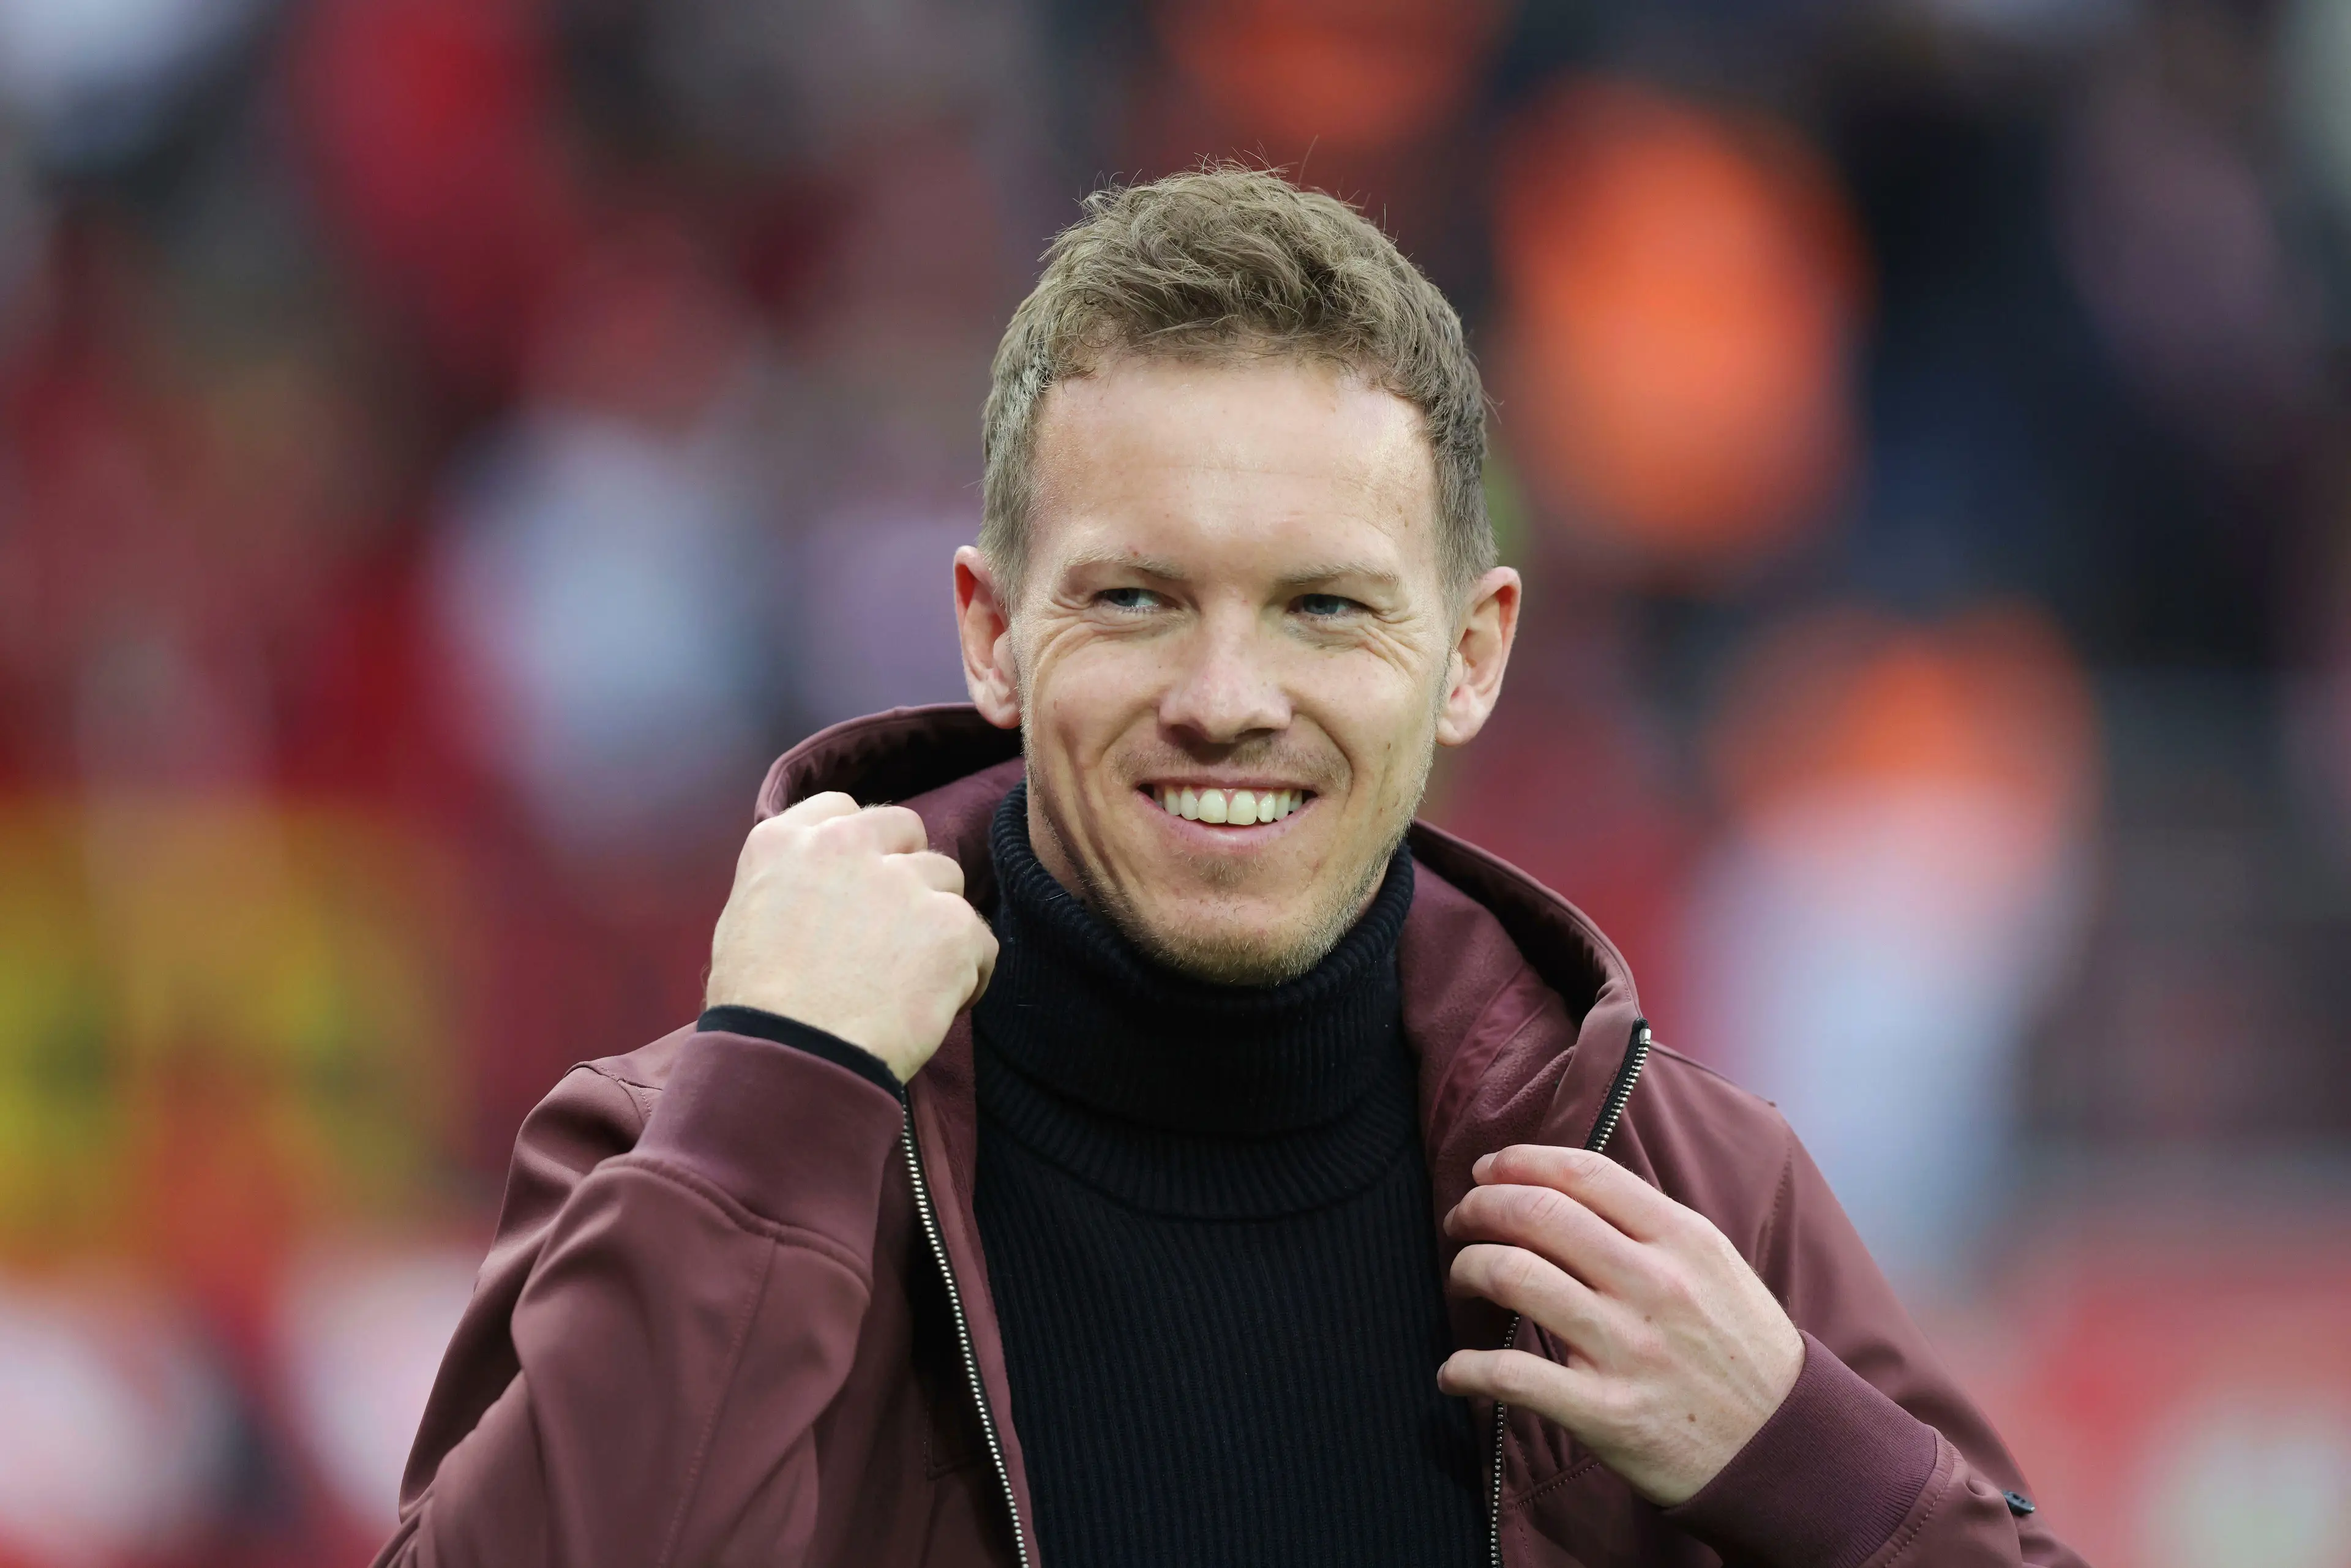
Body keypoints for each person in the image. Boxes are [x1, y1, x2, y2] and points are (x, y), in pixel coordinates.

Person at [375, 167, 2084, 1568]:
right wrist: (777, 1107)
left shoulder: (1683, 1191)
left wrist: (1806, 1468)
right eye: (1135, 599)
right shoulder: (695, 1138)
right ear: (988, 631)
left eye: (1326, 607)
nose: (1225, 700)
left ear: (1472, 654)